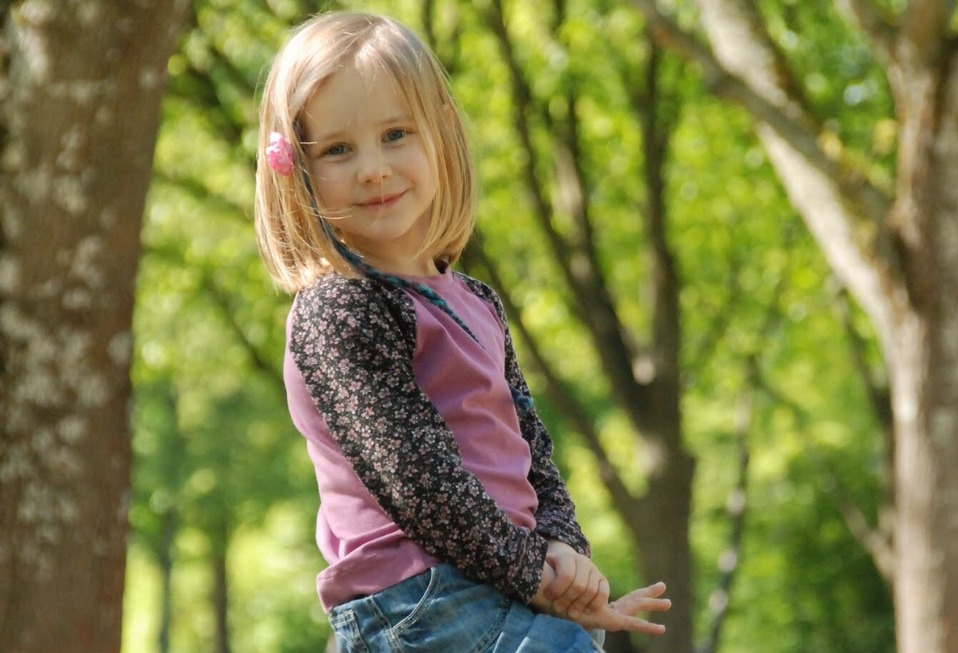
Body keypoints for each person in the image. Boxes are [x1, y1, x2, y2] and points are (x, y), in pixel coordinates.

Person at [254, 11, 670, 653]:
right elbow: (417, 480)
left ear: (442, 135)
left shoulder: (472, 298)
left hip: (495, 573)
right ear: (298, 170)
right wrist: (537, 576)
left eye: (396, 134)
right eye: (338, 149)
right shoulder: (341, 310)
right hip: (421, 600)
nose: (372, 168)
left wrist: (562, 547)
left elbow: (530, 443)